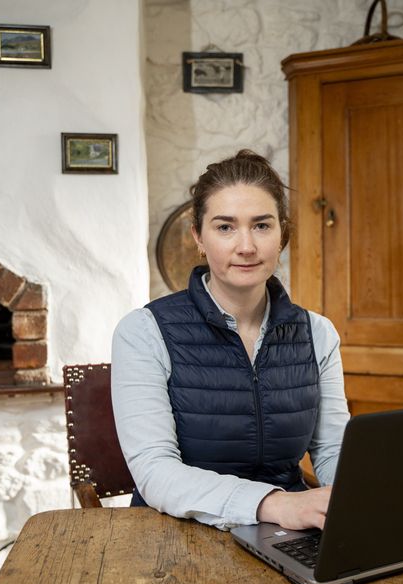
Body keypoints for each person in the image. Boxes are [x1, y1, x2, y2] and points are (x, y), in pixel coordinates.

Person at [111, 149, 351, 531]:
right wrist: (273, 504)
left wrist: (359, 497)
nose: (246, 246)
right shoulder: (144, 331)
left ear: (282, 235)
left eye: (261, 225)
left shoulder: (317, 334)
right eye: (225, 227)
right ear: (198, 237)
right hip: (173, 534)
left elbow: (333, 450)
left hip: (287, 534)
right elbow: (155, 472)